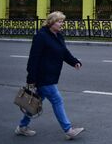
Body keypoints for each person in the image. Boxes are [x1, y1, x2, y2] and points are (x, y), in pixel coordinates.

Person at [15, 11, 85, 140]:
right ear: (51, 22)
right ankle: (68, 130)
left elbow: (64, 52)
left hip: (52, 75)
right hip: (42, 76)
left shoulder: (58, 36)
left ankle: (22, 127)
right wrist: (31, 80)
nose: (61, 24)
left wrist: (74, 61)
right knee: (57, 100)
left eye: (62, 22)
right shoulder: (41, 36)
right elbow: (33, 59)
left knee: (34, 102)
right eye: (59, 21)